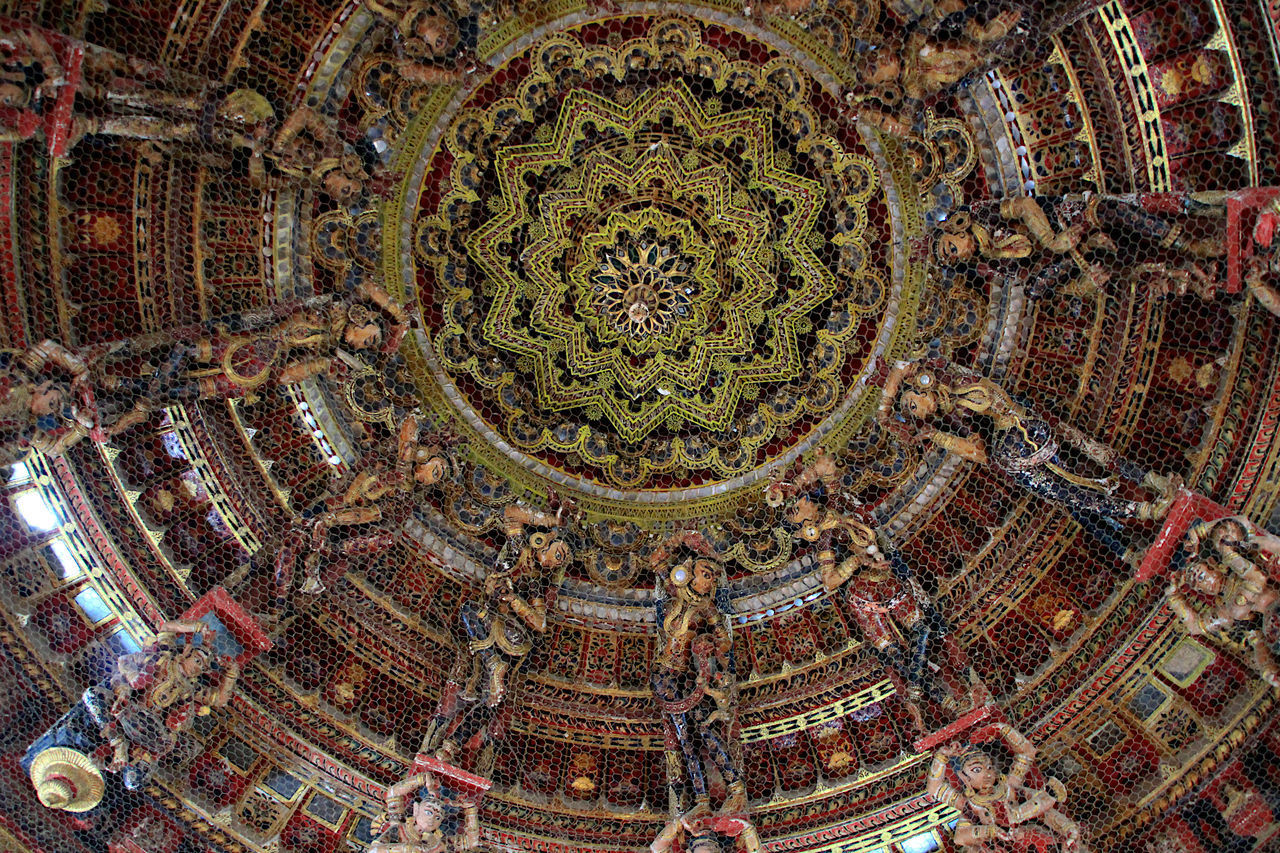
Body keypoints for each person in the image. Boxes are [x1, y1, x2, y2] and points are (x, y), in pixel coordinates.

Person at [878, 357, 1180, 523]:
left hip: (1023, 422)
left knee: (1086, 454)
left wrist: (885, 410)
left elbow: (901, 366)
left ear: (917, 388)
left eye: (913, 407)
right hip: (1019, 428)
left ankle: (1151, 482)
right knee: (1066, 489)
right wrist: (937, 434)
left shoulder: (943, 374)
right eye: (915, 415)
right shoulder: (953, 411)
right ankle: (1141, 508)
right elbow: (978, 451)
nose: (919, 413)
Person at [419, 498, 574, 774]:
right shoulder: (518, 550)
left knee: (491, 697)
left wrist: (516, 601)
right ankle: (450, 743)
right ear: (545, 542)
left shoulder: (536, 583)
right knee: (486, 691)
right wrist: (552, 521)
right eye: (557, 555)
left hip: (508, 635)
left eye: (558, 562)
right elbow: (511, 514)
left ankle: (454, 743)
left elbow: (540, 624)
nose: (553, 563)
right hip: (488, 624)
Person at [22, 621, 239, 799]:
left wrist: (232, 671)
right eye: (197, 660)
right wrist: (194, 628)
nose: (198, 667)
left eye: (202, 666)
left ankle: (121, 747)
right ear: (186, 654)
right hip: (125, 709)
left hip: (147, 730)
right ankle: (118, 744)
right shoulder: (163, 658)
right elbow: (159, 633)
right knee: (92, 696)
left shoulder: (190, 690)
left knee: (134, 782)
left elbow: (219, 699)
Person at [650, 533, 747, 819]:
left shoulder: (708, 609)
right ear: (690, 573)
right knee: (682, 739)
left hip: (684, 678)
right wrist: (678, 540)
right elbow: (655, 562)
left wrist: (706, 645)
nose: (711, 582)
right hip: (661, 675)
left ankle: (733, 786)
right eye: (707, 575)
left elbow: (725, 641)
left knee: (702, 730)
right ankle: (701, 797)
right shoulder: (674, 592)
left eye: (715, 579)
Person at [926, 723, 1086, 851]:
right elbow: (959, 836)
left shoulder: (1010, 788)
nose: (987, 774)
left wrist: (1002, 728)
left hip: (1031, 839)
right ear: (964, 777)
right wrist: (941, 757)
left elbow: (1027, 754)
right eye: (976, 770)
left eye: (989, 767)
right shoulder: (971, 806)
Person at [1168, 516, 1280, 688]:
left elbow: (1243, 526)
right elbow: (1196, 626)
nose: (1198, 580)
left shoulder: (1239, 558)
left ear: (1213, 564)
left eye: (1201, 573)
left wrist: (1202, 532)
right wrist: (1174, 596)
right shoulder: (1228, 609)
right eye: (1197, 585)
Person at [370, 770, 481, 853]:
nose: (432, 819)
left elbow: (470, 842)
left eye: (438, 817)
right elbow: (374, 850)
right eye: (429, 812)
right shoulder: (399, 828)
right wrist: (422, 779)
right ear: (416, 809)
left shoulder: (438, 843)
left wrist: (470, 810)